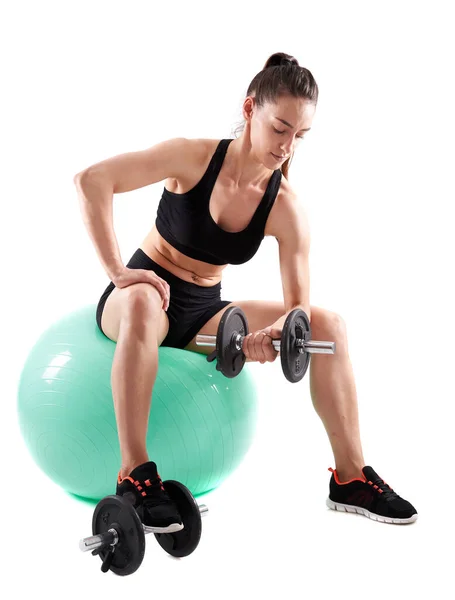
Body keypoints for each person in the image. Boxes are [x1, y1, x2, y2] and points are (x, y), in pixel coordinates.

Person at [74, 52, 417, 530]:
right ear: (251, 108)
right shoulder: (191, 157)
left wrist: (275, 335)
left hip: (203, 313)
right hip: (140, 297)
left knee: (329, 326)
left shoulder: (286, 207)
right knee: (140, 300)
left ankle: (350, 477)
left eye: (300, 136)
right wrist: (118, 272)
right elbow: (92, 180)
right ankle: (134, 474)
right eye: (280, 128)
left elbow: (296, 309)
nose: (287, 146)